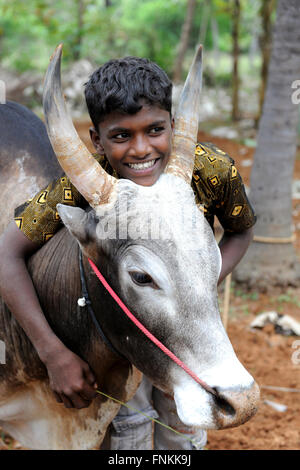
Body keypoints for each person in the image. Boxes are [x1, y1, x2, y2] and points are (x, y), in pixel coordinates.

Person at [0, 56, 256, 450]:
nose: (141, 150)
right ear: (97, 141)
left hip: (190, 329)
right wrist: (51, 353)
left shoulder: (211, 170)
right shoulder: (83, 185)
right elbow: (5, 256)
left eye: (155, 130)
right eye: (122, 136)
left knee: (183, 433)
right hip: (123, 333)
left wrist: (195, 284)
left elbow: (241, 230)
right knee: (127, 429)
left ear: (173, 125)